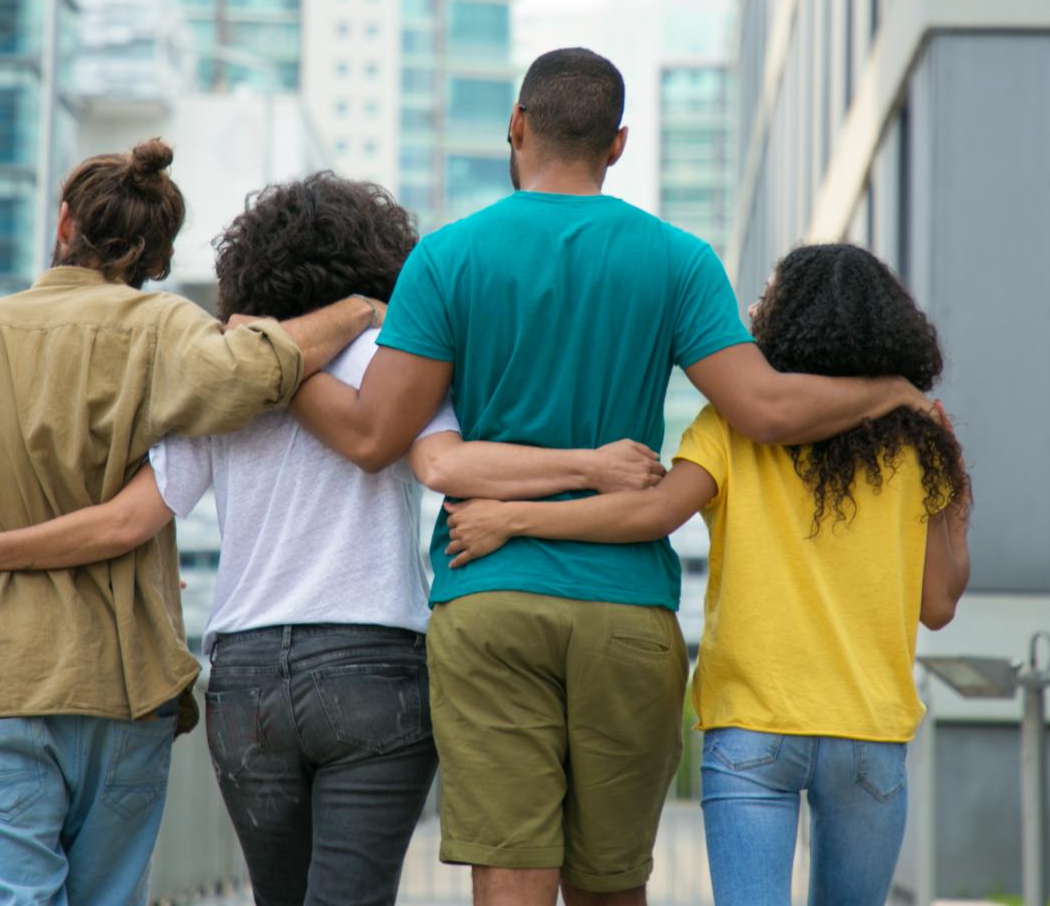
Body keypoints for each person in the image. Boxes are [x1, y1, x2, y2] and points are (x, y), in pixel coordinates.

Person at [286, 49, 931, 906]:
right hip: (628, 613)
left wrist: (277, 371)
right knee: (609, 885)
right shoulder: (678, 260)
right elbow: (768, 410)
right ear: (618, 143)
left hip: (490, 596)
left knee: (512, 879)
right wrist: (889, 389)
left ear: (516, 125)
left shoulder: (446, 259)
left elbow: (373, 436)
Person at [0, 172, 668, 906]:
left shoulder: (226, 376)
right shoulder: (398, 358)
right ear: (381, 260)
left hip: (246, 676)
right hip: (376, 661)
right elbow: (449, 461)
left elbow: (132, 520)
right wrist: (590, 468)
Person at [442, 243, 973, 906]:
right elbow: (940, 603)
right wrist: (954, 491)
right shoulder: (917, 438)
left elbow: (651, 513)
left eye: (768, 299)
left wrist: (516, 519)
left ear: (787, 324)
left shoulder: (732, 426)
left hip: (752, 726)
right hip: (869, 734)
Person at [0, 141, 384, 906]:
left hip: (0, 672)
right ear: (153, 254)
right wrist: (357, 309)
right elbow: (254, 369)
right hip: (121, 678)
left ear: (65, 221)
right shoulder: (161, 329)